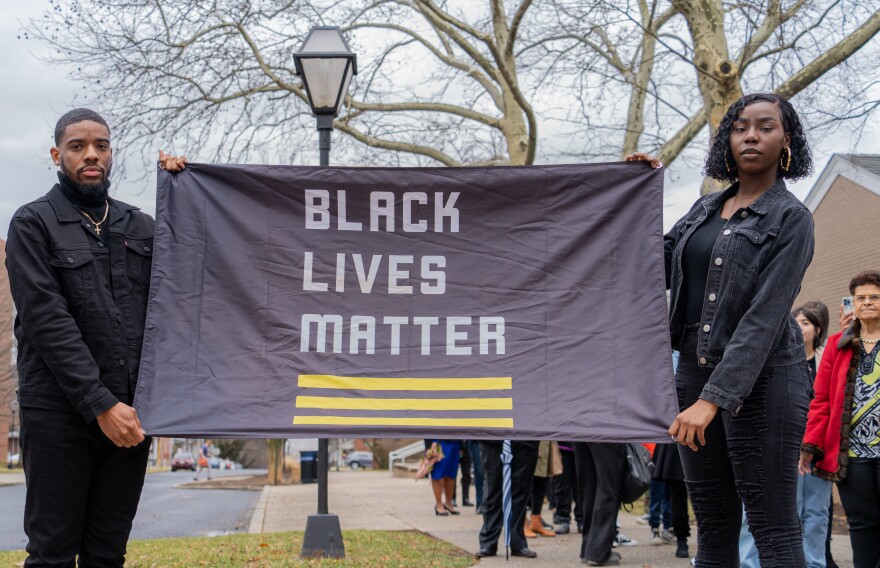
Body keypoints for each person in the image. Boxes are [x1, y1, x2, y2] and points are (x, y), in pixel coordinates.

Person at [634, 92, 816, 567]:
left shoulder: (791, 218)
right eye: (740, 127)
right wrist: (634, 189)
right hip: (693, 371)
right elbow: (645, 259)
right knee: (713, 526)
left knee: (772, 527)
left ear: (787, 140)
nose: (751, 135)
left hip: (766, 380)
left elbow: (764, 317)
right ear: (726, 140)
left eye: (765, 126)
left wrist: (711, 400)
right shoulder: (702, 210)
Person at [6, 108, 186, 566]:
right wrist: (100, 404)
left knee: (108, 554)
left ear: (111, 153)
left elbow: (189, 279)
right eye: (77, 146)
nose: (91, 155)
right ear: (56, 154)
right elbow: (48, 322)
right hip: (59, 414)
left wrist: (186, 191)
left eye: (101, 146)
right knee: (52, 553)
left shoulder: (141, 226)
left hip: (131, 416)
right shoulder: (31, 225)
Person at [800, 271, 880, 568]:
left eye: (874, 296)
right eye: (861, 298)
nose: (867, 302)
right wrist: (810, 445)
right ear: (853, 304)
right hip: (853, 455)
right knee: (861, 525)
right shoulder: (838, 344)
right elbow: (820, 401)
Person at [475, 440, 539, 559]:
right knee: (492, 488)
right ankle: (488, 542)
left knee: (521, 489)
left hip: (525, 436)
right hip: (493, 435)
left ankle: (518, 542)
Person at [574, 442, 627, 566]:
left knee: (588, 487)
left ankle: (588, 548)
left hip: (581, 428)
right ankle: (598, 551)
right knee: (608, 486)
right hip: (608, 430)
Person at [429, 440, 461, 516]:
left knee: (451, 473)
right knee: (437, 473)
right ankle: (439, 504)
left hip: (455, 441)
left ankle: (448, 503)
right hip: (438, 442)